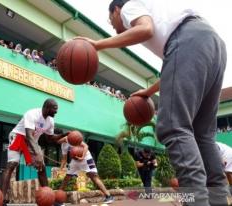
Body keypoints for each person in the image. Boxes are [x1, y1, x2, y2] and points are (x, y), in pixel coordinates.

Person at [78, 0, 231, 205]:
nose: (113, 24)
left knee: (173, 126)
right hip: (214, 45)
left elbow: (146, 29)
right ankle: (219, 200)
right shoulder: (165, 19)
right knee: (203, 135)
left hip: (189, 39)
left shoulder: (128, 7)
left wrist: (98, 44)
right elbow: (177, 64)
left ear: (116, 9)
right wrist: (149, 91)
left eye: (110, 18)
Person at [1, 99, 67, 205]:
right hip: (19, 137)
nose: (56, 112)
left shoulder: (50, 121)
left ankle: (49, 197)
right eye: (54, 109)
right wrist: (38, 153)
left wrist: (64, 135)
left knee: (41, 167)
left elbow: (50, 138)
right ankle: (2, 198)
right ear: (47, 107)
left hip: (31, 141)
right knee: (12, 164)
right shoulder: (32, 114)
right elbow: (29, 135)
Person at [57, 136, 114, 204]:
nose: (58, 141)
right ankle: (58, 199)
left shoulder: (73, 137)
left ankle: (109, 196)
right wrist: (60, 169)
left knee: (93, 177)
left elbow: (86, 146)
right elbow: (64, 159)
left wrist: (82, 157)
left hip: (86, 157)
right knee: (67, 178)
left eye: (58, 139)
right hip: (75, 160)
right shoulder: (63, 145)